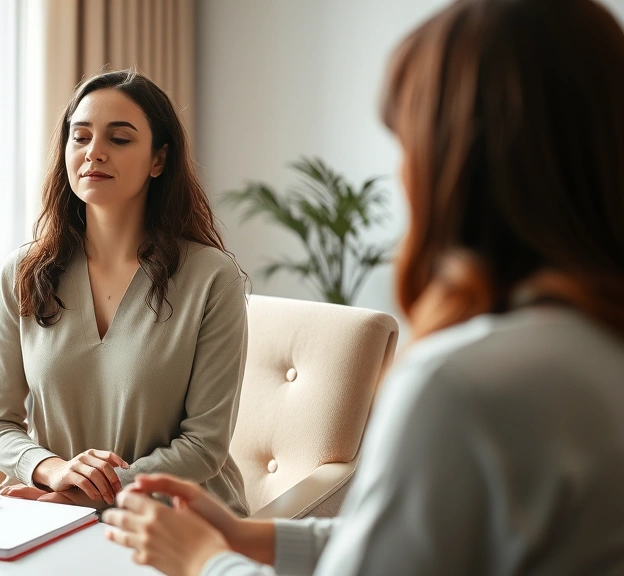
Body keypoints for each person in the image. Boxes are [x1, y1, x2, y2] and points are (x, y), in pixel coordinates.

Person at [102, 0, 624, 573]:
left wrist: (204, 560)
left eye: (405, 142)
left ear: (454, 162)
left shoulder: (459, 386)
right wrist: (245, 536)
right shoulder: (594, 345)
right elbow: (415, 540)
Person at [0, 69, 250, 516]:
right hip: (50, 510)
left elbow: (204, 447)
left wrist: (83, 494)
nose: (93, 152)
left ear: (158, 160)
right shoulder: (24, 273)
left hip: (175, 518)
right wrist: (52, 470)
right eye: (79, 138)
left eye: (119, 140)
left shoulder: (212, 278)